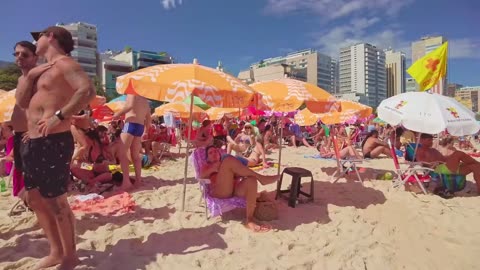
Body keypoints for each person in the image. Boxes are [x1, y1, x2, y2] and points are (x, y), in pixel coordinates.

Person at [16, 26, 96, 270]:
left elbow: (88, 91)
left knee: (56, 201)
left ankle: (70, 257)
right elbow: (21, 103)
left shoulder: (64, 64)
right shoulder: (39, 72)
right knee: (35, 199)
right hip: (33, 141)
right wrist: (30, 77)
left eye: (37, 37)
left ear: (50, 37)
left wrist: (59, 117)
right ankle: (56, 251)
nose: (35, 43)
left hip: (53, 141)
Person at [200, 146, 279, 232]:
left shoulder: (225, 164)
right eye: (210, 153)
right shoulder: (207, 166)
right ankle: (262, 178)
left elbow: (238, 174)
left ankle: (249, 220)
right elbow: (201, 176)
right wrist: (214, 167)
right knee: (228, 160)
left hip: (233, 189)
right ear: (207, 158)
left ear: (219, 154)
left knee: (251, 181)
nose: (214, 153)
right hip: (219, 192)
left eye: (215, 151)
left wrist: (237, 172)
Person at [11, 41, 38, 201]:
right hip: (19, 134)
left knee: (33, 179)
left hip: (30, 135)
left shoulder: (37, 77)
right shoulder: (22, 79)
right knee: (25, 176)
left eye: (25, 54)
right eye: (17, 53)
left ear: (35, 57)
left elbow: (46, 106)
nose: (19, 57)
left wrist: (34, 129)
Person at [113, 94, 151, 188]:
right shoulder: (145, 99)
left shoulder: (132, 93)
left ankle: (126, 182)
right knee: (135, 155)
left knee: (122, 153)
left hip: (131, 123)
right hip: (140, 126)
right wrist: (146, 131)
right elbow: (148, 117)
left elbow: (129, 106)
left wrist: (117, 114)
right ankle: (138, 181)